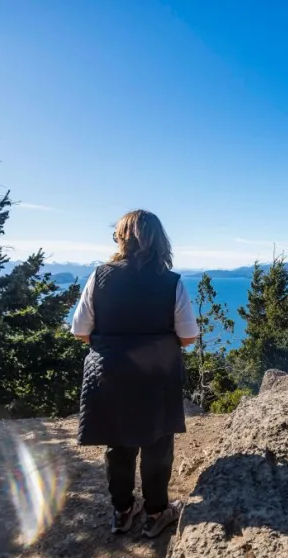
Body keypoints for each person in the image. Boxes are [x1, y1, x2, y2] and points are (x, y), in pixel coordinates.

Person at [71, 210, 199, 537]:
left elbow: (81, 330)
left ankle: (122, 511)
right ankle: (157, 513)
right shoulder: (171, 282)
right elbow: (187, 336)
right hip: (156, 374)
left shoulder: (99, 276)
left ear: (121, 237)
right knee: (157, 443)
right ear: (160, 241)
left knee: (118, 444)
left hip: (110, 372)